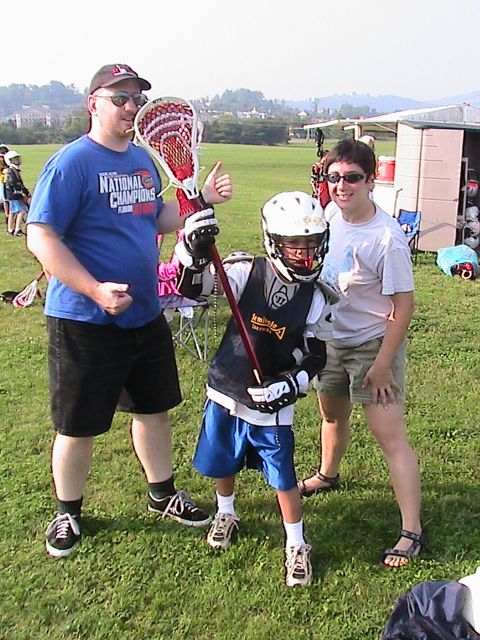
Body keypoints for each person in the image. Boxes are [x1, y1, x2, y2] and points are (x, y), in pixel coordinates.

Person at [26, 63, 233, 559]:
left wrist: (200, 199)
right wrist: (95, 289)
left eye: (136, 98)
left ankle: (162, 494)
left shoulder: (141, 161)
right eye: (119, 98)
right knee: (78, 424)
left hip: (143, 313)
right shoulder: (72, 163)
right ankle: (67, 512)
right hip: (85, 319)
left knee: (153, 409)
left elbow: (155, 217)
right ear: (93, 104)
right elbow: (41, 236)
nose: (130, 107)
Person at [174, 191, 335, 587]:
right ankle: (226, 511)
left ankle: (296, 543)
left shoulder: (317, 295)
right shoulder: (247, 271)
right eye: (295, 244)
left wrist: (291, 383)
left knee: (283, 475)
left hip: (272, 401)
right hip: (228, 385)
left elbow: (316, 355)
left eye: (311, 244)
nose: (304, 254)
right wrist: (194, 253)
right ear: (274, 242)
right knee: (223, 459)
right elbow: (196, 290)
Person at [297, 139, 424, 569]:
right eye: (334, 177)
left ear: (371, 181)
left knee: (390, 438)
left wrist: (383, 364)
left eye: (352, 178)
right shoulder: (331, 215)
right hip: (331, 339)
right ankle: (327, 475)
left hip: (372, 346)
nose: (341, 186)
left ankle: (412, 531)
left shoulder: (387, 238)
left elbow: (404, 306)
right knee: (332, 416)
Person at [4, 149, 30, 236]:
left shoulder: (14, 171)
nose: (17, 161)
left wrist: (26, 192)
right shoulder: (10, 171)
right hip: (14, 195)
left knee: (12, 211)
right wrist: (22, 193)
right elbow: (15, 184)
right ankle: (17, 229)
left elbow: (20, 184)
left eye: (17, 159)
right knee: (21, 211)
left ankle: (10, 229)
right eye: (14, 160)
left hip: (12, 194)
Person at [0, 144, 10, 225]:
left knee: (9, 198)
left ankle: (10, 213)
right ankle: (7, 214)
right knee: (5, 199)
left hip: (9, 181)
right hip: (3, 180)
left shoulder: (8, 160)